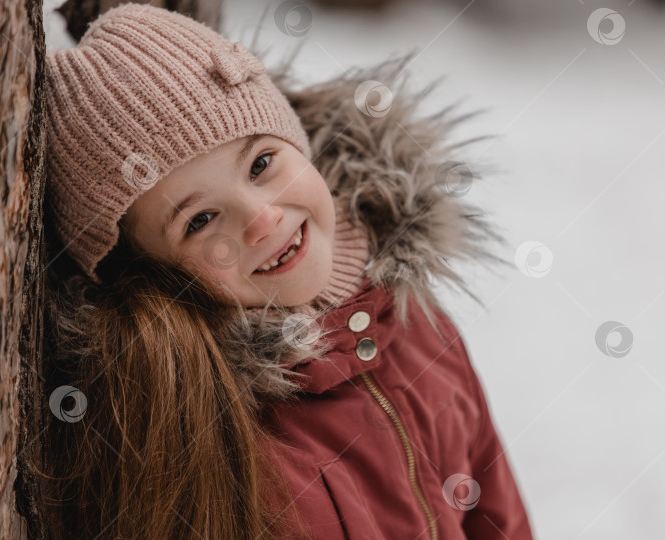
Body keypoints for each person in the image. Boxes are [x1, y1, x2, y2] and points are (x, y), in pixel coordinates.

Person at [40, 3, 535, 539]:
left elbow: (495, 510)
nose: (261, 219)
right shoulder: (195, 430)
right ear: (148, 273)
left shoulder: (413, 317)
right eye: (201, 220)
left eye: (261, 164)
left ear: (294, 139)